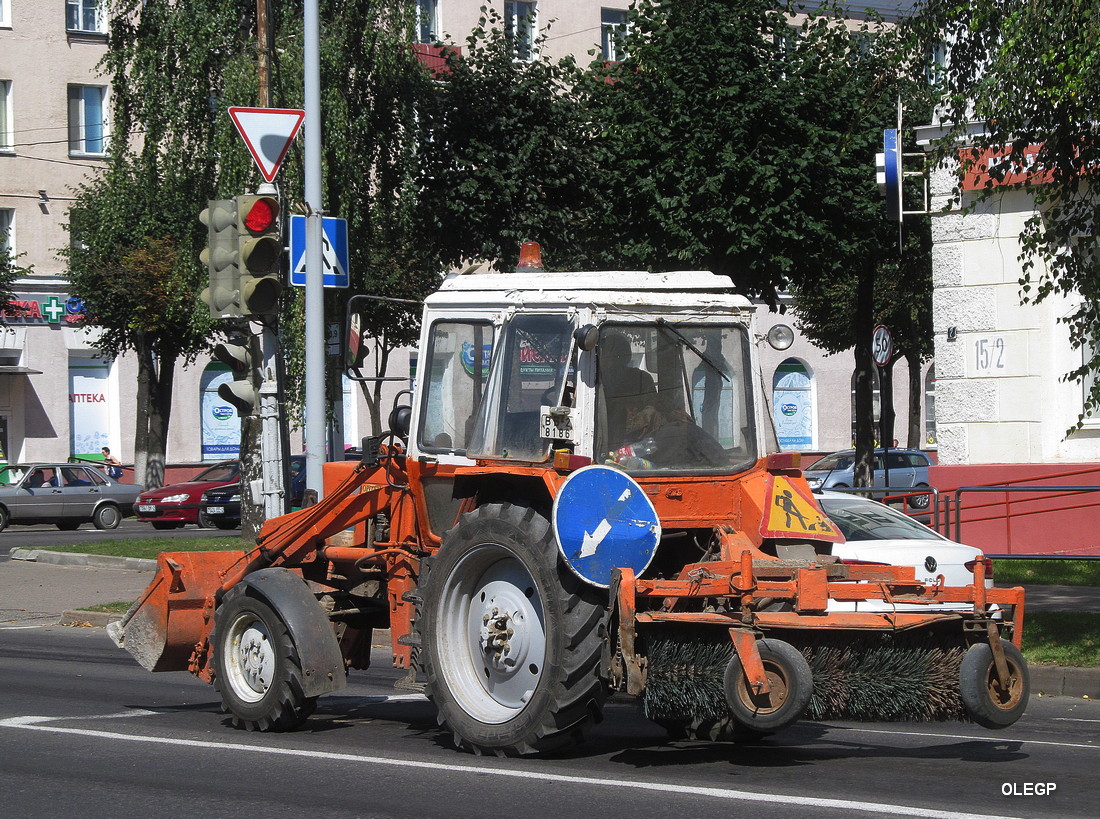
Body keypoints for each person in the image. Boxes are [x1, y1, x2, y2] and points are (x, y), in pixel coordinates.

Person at [600, 332, 656, 446]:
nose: (606, 358)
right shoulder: (594, 379)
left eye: (614, 355)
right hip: (600, 434)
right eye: (604, 354)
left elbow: (653, 407)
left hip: (638, 438)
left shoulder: (641, 378)